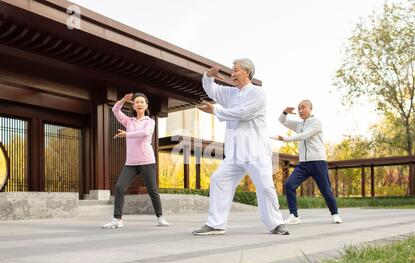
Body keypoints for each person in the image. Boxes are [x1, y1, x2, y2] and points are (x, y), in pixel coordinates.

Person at [193, 59, 289, 235]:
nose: (232, 73)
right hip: (234, 154)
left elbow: (244, 113)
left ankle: (276, 224)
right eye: (231, 70)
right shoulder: (230, 93)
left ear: (247, 72)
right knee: (218, 179)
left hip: (255, 151)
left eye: (235, 70)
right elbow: (211, 89)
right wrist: (208, 76)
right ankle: (216, 224)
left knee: (265, 186)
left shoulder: (258, 93)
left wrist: (215, 111)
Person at [102, 92, 170, 229]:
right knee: (120, 187)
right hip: (131, 163)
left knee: (152, 190)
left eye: (141, 102)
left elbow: (144, 133)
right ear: (133, 105)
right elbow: (115, 110)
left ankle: (160, 217)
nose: (139, 104)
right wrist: (122, 100)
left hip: (147, 161)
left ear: (146, 105)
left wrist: (127, 134)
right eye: (136, 102)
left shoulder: (150, 122)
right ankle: (117, 219)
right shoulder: (129, 121)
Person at [273, 100, 342, 224]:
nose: (300, 111)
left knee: (326, 190)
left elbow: (304, 135)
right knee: (289, 184)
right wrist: (284, 112)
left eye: (303, 108)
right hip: (304, 163)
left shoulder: (316, 123)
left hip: (318, 161)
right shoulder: (300, 124)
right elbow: (282, 121)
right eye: (299, 109)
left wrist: (285, 139)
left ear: (311, 109)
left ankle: (335, 214)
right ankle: (294, 215)